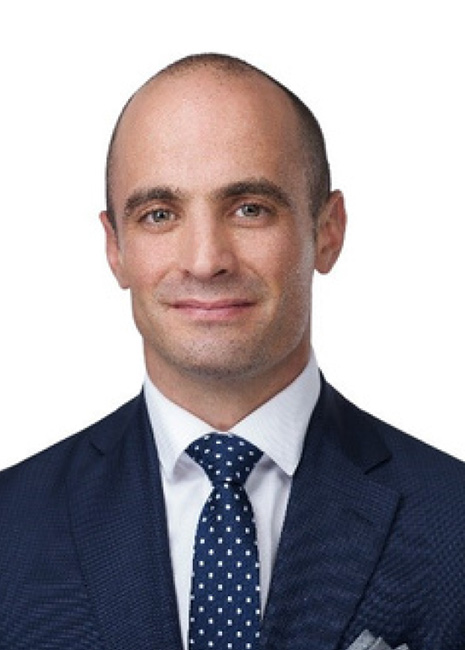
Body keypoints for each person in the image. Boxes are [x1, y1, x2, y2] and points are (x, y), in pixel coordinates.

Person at [0, 53, 464, 650]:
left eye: (250, 209)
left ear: (327, 230)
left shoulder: (453, 520)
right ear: (115, 248)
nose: (204, 260)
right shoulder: (11, 527)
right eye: (159, 215)